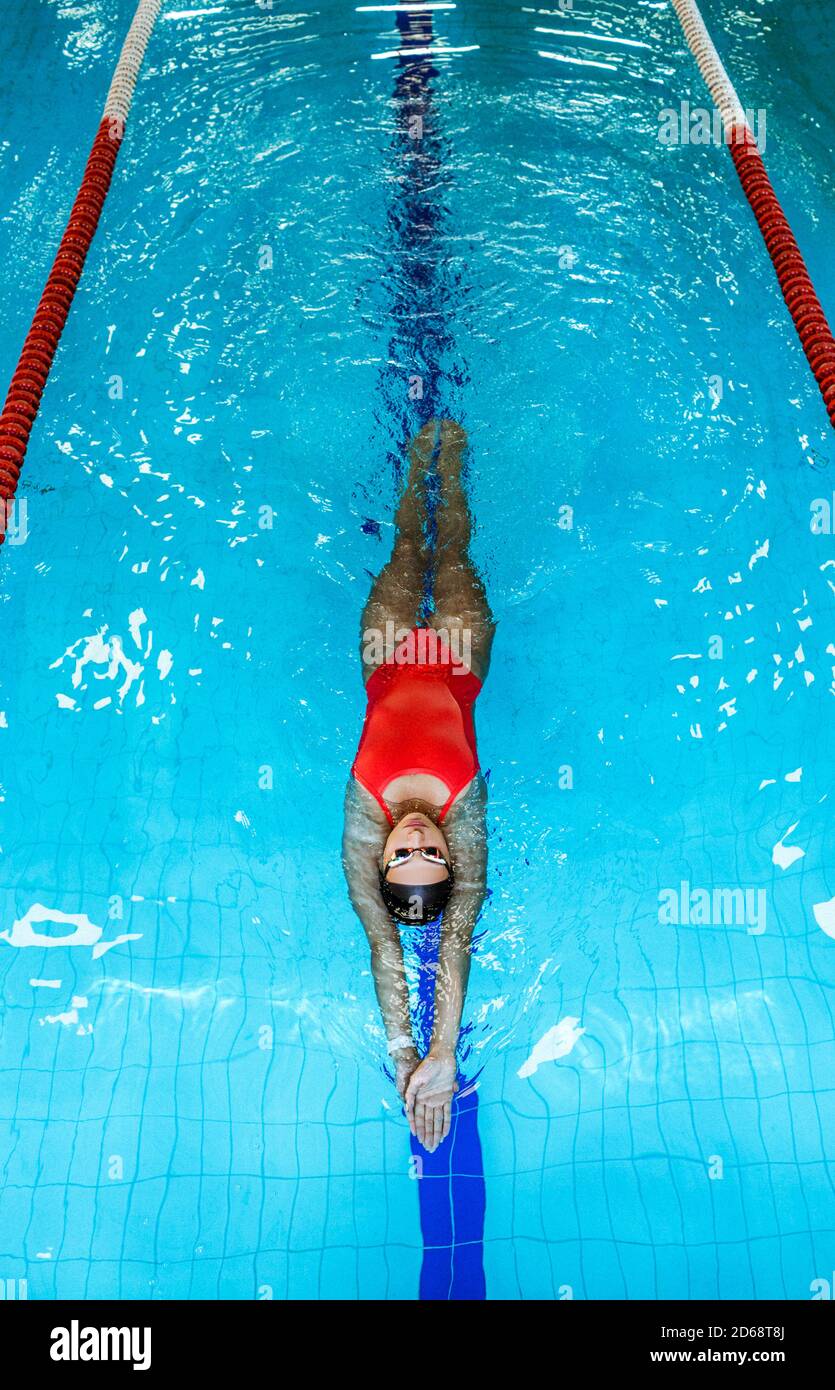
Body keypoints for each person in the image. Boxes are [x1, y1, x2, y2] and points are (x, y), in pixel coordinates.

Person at [342, 417, 495, 1153]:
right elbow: (456, 933)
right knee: (454, 547)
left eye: (400, 858)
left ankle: (413, 463)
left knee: (407, 547)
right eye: (429, 857)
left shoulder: (364, 819)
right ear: (450, 859)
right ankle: (453, 460)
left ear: (378, 863)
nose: (412, 843)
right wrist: (445, 1053)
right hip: (460, 658)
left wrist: (406, 1052)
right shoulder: (463, 811)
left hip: (385, 654)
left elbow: (383, 946)